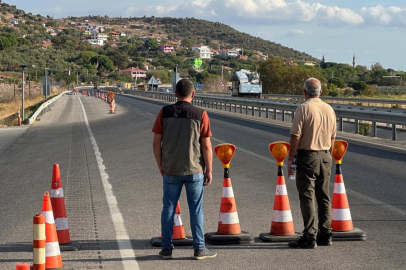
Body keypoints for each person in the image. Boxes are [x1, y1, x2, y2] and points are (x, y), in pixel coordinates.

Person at [152, 78, 217, 260]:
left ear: (175, 94)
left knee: (168, 208)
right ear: (193, 94)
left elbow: (156, 142)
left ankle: (166, 249)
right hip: (194, 170)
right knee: (196, 210)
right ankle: (199, 249)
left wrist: (160, 165)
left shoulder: (164, 112)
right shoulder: (201, 114)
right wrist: (209, 170)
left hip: (171, 170)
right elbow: (206, 146)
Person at [287, 78, 336, 249]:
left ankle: (309, 236)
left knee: (307, 195)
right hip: (326, 156)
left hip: (308, 156)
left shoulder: (304, 108)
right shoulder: (329, 109)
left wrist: (291, 158)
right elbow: (333, 137)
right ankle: (326, 233)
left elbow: (295, 136)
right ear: (320, 92)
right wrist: (328, 155)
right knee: (323, 196)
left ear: (304, 91)